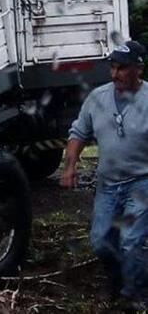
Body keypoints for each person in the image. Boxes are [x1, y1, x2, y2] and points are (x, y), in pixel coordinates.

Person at [61, 40, 148, 308]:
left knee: (131, 241)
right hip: (108, 184)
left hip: (141, 183)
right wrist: (70, 166)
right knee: (101, 242)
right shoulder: (97, 98)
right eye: (112, 67)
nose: (114, 74)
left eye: (122, 68)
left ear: (138, 69)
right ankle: (118, 280)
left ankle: (134, 294)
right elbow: (78, 133)